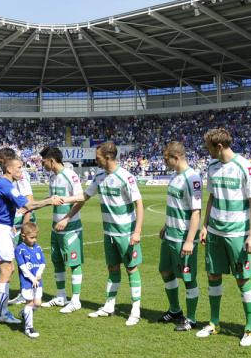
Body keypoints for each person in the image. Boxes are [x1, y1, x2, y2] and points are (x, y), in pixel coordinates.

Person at [58, 141, 144, 326]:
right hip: (108, 232)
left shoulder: (125, 177)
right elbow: (84, 197)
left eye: (98, 158)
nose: (95, 160)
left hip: (126, 233)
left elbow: (139, 204)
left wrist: (136, 232)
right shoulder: (99, 176)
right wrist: (67, 212)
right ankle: (109, 305)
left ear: (108, 157)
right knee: (112, 268)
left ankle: (135, 310)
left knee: (131, 269)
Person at [196, 128, 251, 345]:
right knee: (213, 276)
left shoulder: (245, 167)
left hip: (237, 233)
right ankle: (214, 323)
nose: (207, 151)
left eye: (208, 147)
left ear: (219, 146)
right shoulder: (212, 166)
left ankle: (250, 329)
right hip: (215, 231)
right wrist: (204, 226)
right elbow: (212, 197)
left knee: (242, 279)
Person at [0, 155, 57, 323]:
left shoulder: (5, 183)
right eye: (19, 168)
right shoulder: (5, 184)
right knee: (6, 270)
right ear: (9, 169)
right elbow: (26, 206)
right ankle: (3, 313)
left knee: (9, 268)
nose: (21, 171)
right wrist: (50, 201)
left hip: (2, 227)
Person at [157, 141, 203, 331]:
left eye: (167, 159)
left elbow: (196, 212)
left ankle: (191, 319)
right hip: (170, 235)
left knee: (188, 277)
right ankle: (175, 310)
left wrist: (190, 241)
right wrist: (165, 226)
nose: (165, 163)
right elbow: (174, 206)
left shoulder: (192, 178)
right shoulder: (175, 176)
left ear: (176, 157)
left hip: (183, 238)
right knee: (165, 271)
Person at [39, 146, 85, 314]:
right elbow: (51, 199)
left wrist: (66, 219)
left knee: (74, 263)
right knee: (57, 261)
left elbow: (81, 198)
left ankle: (76, 300)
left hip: (70, 227)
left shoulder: (70, 175)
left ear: (52, 160)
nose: (42, 165)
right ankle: (60, 296)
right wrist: (33, 205)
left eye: (43, 162)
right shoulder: (53, 178)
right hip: (55, 227)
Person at [14, 221, 45, 339]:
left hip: (37, 281)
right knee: (30, 303)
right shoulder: (19, 249)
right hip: (27, 282)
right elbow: (23, 268)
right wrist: (32, 278)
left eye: (36, 237)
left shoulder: (38, 247)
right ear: (23, 236)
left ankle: (24, 313)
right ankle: (29, 328)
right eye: (32, 237)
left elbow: (42, 263)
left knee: (38, 303)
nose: (34, 240)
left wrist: (38, 274)